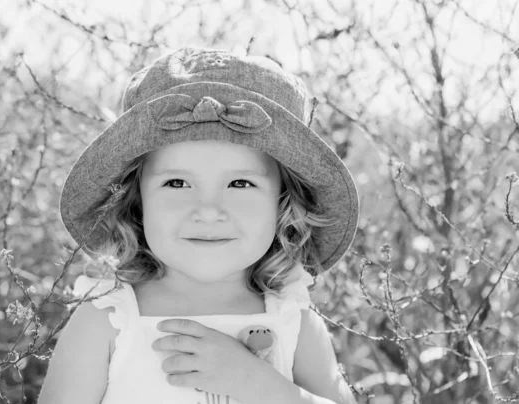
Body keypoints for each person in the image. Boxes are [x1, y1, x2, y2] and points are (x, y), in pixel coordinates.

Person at [37, 46, 359, 404]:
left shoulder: (291, 319)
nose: (208, 211)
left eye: (240, 184)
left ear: (283, 204)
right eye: (177, 183)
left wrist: (261, 386)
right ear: (137, 200)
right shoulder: (107, 320)